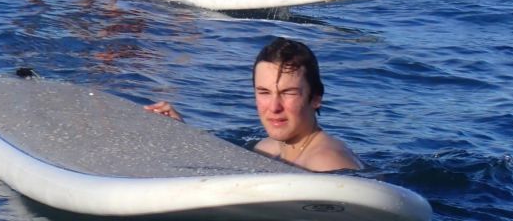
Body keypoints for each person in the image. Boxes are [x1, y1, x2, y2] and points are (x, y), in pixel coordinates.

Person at [145, 37, 363, 173]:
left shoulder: (327, 163)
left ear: (316, 98)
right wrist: (184, 135)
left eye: (288, 93)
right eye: (264, 92)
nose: (274, 107)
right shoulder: (265, 147)